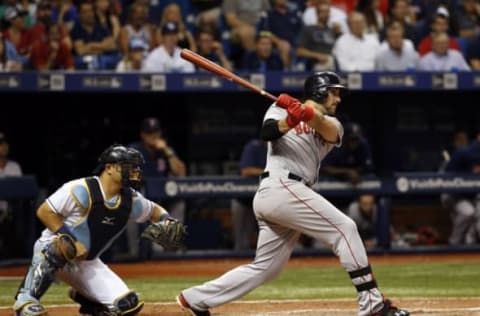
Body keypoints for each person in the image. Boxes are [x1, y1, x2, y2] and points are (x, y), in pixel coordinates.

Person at [176, 71, 410, 316]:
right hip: (280, 188)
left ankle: (195, 298)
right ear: (319, 91)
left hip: (287, 195)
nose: (338, 98)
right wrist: (290, 120)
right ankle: (371, 303)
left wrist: (305, 114)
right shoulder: (280, 109)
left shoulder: (335, 123)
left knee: (266, 269)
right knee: (345, 228)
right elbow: (267, 132)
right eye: (334, 92)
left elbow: (325, 128)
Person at [13, 144, 185, 316]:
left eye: (135, 167)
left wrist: (166, 220)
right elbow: (45, 211)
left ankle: (86, 297)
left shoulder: (130, 199)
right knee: (60, 247)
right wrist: (71, 239)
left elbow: (154, 211)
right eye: (128, 167)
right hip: (57, 251)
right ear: (109, 168)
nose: (133, 171)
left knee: (127, 304)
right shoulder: (81, 189)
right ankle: (26, 300)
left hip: (87, 262)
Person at [129, 117, 187, 258]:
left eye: (155, 132)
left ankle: (172, 246)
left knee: (179, 203)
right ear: (143, 134)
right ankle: (136, 254)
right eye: (149, 133)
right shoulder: (134, 150)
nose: (153, 136)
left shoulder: (166, 151)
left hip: (162, 201)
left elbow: (181, 173)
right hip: (142, 202)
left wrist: (168, 152)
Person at [231, 138, 267, 251]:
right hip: (243, 199)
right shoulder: (253, 146)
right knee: (241, 240)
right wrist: (269, 172)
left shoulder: (280, 148)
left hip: (263, 198)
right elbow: (246, 170)